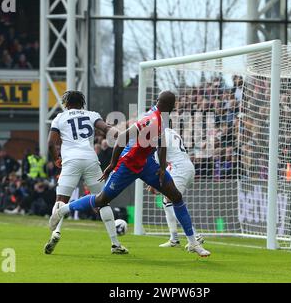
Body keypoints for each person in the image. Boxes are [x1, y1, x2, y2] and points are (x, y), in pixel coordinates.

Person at [49, 91, 211, 257]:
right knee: (102, 199)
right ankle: (62, 210)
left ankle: (192, 243)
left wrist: (162, 168)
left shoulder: (162, 118)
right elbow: (121, 138)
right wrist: (112, 164)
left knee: (175, 196)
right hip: (128, 164)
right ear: (171, 106)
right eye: (174, 104)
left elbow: (161, 143)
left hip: (147, 164)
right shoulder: (150, 119)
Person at [45, 90, 127, 255]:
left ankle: (56, 233)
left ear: (66, 103)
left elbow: (50, 143)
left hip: (70, 162)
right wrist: (118, 133)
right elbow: (106, 129)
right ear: (82, 103)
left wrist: (56, 159)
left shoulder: (59, 118)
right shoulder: (91, 114)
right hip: (90, 160)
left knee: (61, 200)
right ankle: (115, 243)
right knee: (103, 200)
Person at [148, 124, 204, 248]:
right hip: (186, 166)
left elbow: (157, 163)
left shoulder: (159, 136)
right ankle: (174, 239)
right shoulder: (172, 132)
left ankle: (195, 236)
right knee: (166, 201)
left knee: (171, 200)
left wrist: (152, 184)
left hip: (179, 169)